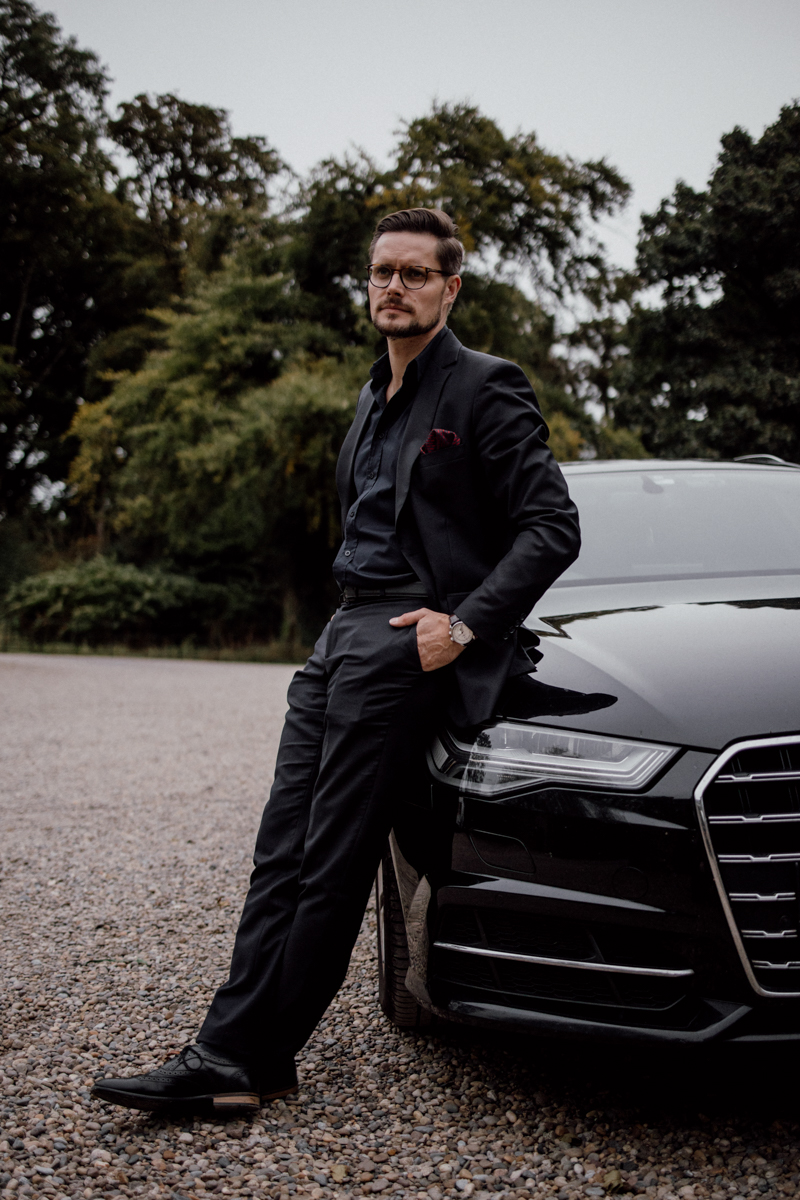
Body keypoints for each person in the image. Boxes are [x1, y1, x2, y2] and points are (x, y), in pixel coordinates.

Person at [92, 207, 580, 1114]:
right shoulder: (368, 395)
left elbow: (553, 527)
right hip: (339, 639)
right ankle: (244, 1052)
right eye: (381, 273)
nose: (393, 287)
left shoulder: (484, 387)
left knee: (332, 856)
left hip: (404, 647)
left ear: (450, 286)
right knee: (280, 849)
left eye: (414, 274)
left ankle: (241, 1056)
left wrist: (462, 627)